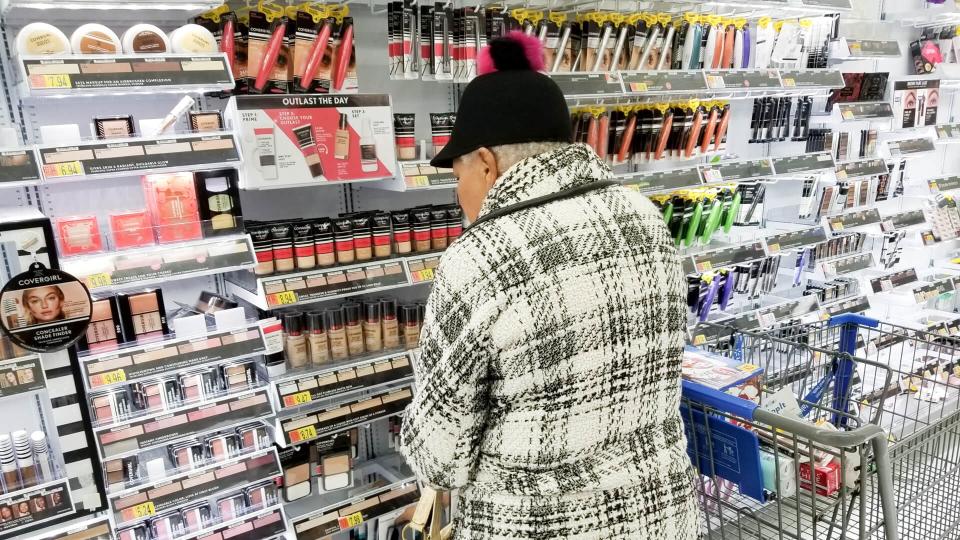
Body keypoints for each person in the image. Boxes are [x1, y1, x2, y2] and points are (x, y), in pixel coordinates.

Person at [399, 32, 700, 539]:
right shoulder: (645, 219)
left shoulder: (480, 258)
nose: (458, 194)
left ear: (487, 164)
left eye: (458, 176)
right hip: (663, 517)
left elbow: (440, 455)